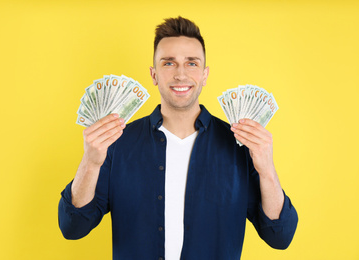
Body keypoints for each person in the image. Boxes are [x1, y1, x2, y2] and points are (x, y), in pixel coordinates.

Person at [58, 16, 298, 260]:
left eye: (191, 63)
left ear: (205, 75)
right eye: (169, 63)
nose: (181, 74)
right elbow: (73, 227)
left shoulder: (240, 146)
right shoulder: (117, 143)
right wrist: (90, 162)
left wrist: (267, 168)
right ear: (154, 75)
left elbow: (279, 236)